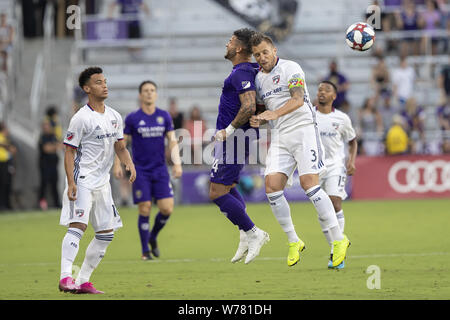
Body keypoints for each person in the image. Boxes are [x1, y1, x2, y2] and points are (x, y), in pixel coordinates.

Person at [249, 32, 349, 268]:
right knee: (272, 187)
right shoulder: (259, 80)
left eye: (265, 52)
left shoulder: (290, 68)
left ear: (274, 51)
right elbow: (266, 107)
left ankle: (338, 240)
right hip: (281, 134)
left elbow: (297, 98)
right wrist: (262, 118)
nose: (261, 58)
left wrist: (273, 113)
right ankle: (294, 240)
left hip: (303, 128)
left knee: (309, 184)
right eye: (257, 55)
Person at [58, 67, 136, 294]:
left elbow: (120, 146)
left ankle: (82, 280)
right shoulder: (81, 118)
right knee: (79, 226)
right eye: (99, 82)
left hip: (102, 183)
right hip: (82, 179)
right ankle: (65, 277)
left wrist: (128, 162)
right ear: (87, 88)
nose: (105, 85)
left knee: (106, 233)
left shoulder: (114, 116)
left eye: (105, 81)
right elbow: (69, 152)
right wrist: (71, 183)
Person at [209, 28, 269, 265]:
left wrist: (229, 130)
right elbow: (259, 105)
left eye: (231, 41)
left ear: (240, 48)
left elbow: (249, 105)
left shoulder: (242, 72)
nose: (227, 43)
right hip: (235, 139)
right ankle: (245, 234)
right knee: (228, 186)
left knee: (216, 192)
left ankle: (254, 233)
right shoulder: (250, 70)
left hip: (234, 139)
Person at [113, 80, 182, 261]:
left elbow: (172, 140)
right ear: (140, 95)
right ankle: (145, 251)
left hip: (160, 170)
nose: (149, 93)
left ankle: (152, 236)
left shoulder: (164, 116)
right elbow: (122, 144)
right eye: (146, 90)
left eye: (152, 90)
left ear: (156, 94)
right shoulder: (133, 118)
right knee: (145, 208)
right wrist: (117, 163)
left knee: (167, 209)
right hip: (140, 171)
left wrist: (177, 163)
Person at [315, 81, 357, 269]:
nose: (322, 92)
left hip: (335, 166)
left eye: (327, 90)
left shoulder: (342, 118)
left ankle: (335, 254)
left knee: (334, 202)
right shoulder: (308, 115)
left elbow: (353, 141)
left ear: (334, 96)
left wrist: (351, 161)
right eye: (320, 89)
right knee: (323, 214)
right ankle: (337, 245)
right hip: (314, 168)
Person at [38, 119, 62, 210]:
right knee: (44, 184)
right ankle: (41, 203)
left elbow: (61, 145)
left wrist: (54, 146)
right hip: (45, 165)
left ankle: (56, 203)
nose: (46, 128)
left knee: (54, 184)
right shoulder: (42, 137)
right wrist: (55, 147)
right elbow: (46, 149)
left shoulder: (53, 136)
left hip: (54, 164)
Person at [0, 121, 16, 210]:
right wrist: (8, 147)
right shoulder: (2, 138)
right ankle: (2, 205)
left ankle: (6, 204)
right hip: (1, 163)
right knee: (2, 184)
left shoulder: (6, 138)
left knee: (6, 184)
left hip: (6, 163)